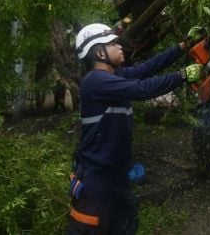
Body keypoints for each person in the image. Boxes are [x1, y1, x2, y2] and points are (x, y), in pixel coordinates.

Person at [67, 23, 202, 234]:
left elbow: (146, 69)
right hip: (96, 181)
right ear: (98, 52)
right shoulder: (95, 81)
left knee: (124, 226)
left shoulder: (114, 76)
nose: (120, 46)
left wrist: (183, 46)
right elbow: (141, 89)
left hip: (117, 178)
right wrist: (182, 75)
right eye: (113, 43)